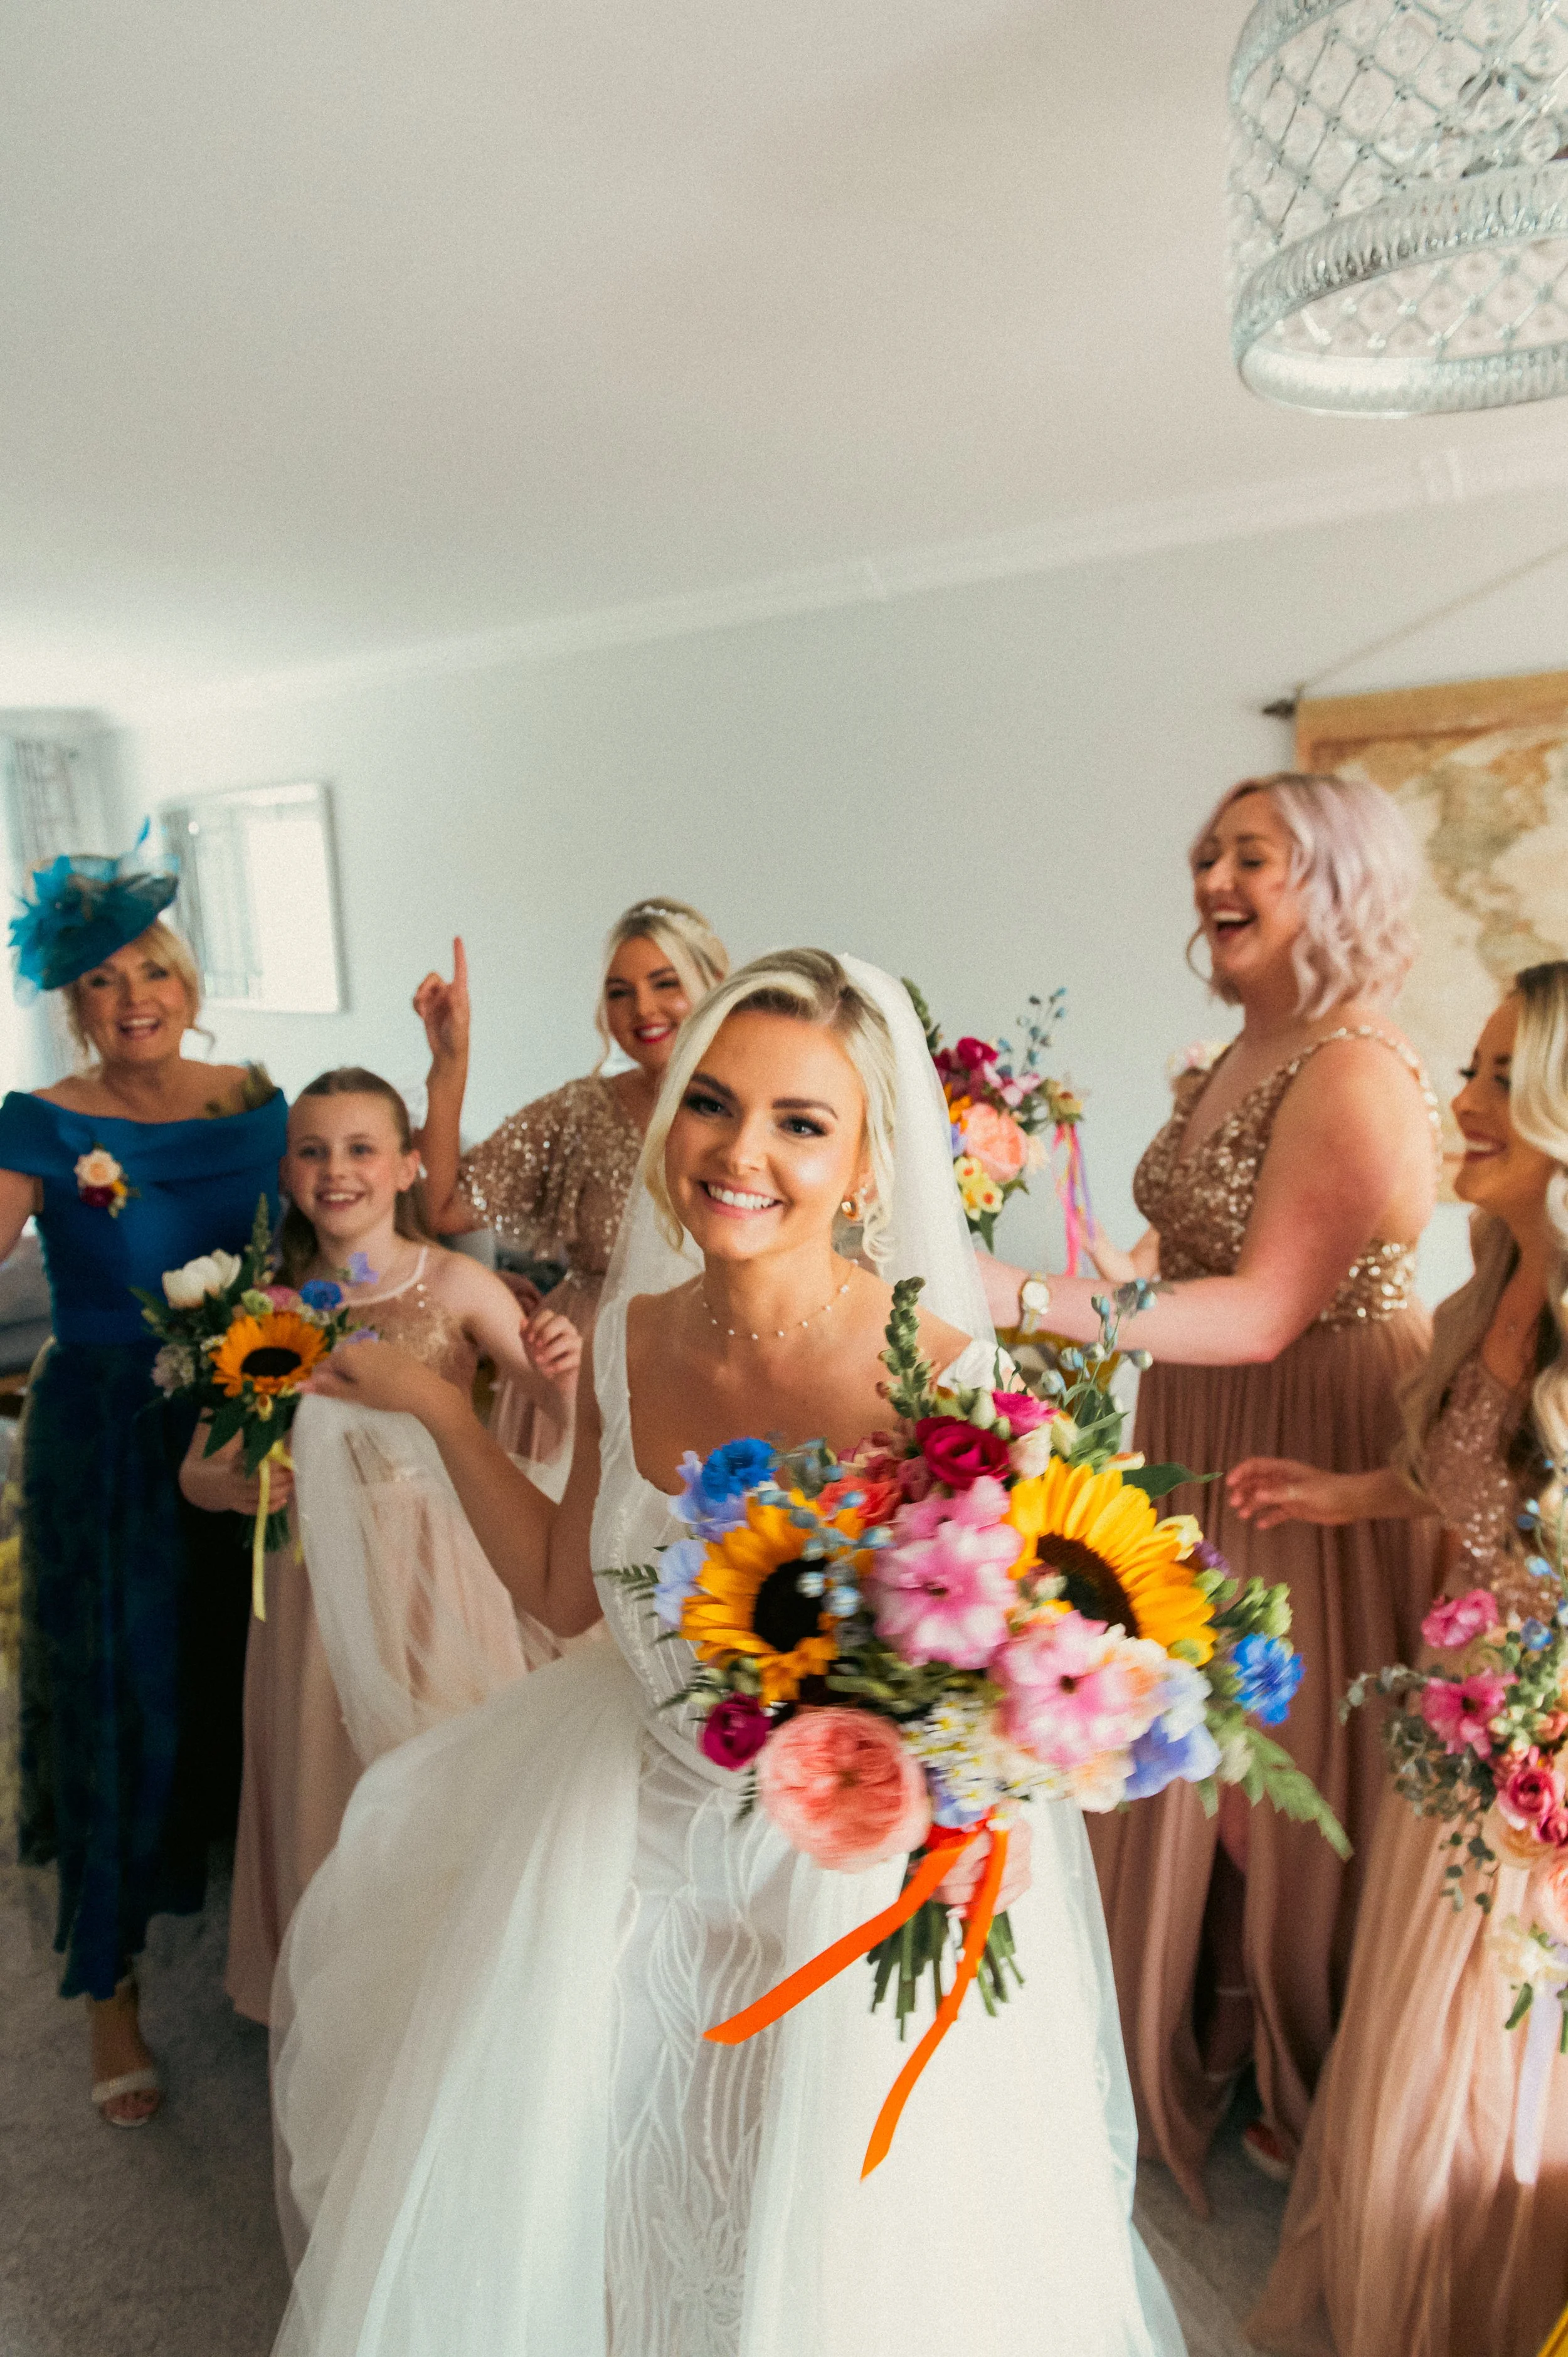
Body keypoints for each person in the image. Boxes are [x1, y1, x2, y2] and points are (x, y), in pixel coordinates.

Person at [267, 950, 1186, 2357]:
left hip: (843, 1876)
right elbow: (563, 1587)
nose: (738, 1151)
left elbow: (1017, 1673)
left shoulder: (943, 1377)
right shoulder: (627, 1333)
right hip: (617, 1829)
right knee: (598, 2200)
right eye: (709, 1102)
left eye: (799, 1121)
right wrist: (444, 1414)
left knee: (818, 2245)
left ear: (867, 1163)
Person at [980, 773, 1444, 2204]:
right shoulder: (1237, 1050)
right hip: (1194, 1413)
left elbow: (1258, 1310)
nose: (1213, 880)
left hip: (1304, 1423)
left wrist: (1023, 1296)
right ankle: (1219, 2010)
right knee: (1185, 1732)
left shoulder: (1353, 1068)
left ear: (1339, 881)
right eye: (1206, 854)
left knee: (1259, 1754)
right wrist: (1054, 1276)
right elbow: (1177, 1262)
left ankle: (1301, 2039)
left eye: (1253, 856)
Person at [1234, 963, 1568, 2357]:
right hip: (1455, 1722)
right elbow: (1477, 1482)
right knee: (1413, 2029)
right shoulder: (1495, 1273)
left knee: (1491, 2057)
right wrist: (1341, 1495)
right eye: (1472, 1068)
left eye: (1502, 1075)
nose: (1466, 1098)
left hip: (1540, 1762)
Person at [180, 1066, 580, 2024]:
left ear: (407, 1167)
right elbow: (198, 1464)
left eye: (361, 1148)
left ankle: (457, 1995)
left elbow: (566, 1414)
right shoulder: (265, 1307)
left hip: (442, 1569)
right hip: (315, 1579)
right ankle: (341, 2002)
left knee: (447, 1760)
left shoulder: (455, 1282)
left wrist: (564, 1369)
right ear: (287, 1171)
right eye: (314, 1151)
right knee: (328, 1767)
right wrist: (234, 1484)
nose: (337, 1170)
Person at [0, 840, 287, 2126]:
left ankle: (267, 1939)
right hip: (104, 1435)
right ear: (76, 1004)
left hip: (247, 1412)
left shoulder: (255, 1102)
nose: (134, 998)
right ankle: (107, 1987)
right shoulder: (39, 1118)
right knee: (115, 1691)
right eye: (105, 981)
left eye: (153, 971)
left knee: (253, 1675)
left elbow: (341, 1219)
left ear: (187, 981)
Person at [411, 898, 729, 1492]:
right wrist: (451, 1062)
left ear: (714, 983)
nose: (643, 1009)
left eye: (666, 984)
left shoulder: (755, 1110)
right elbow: (447, 1206)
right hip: (582, 1364)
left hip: (716, 1356)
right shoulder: (581, 1110)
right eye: (619, 992)